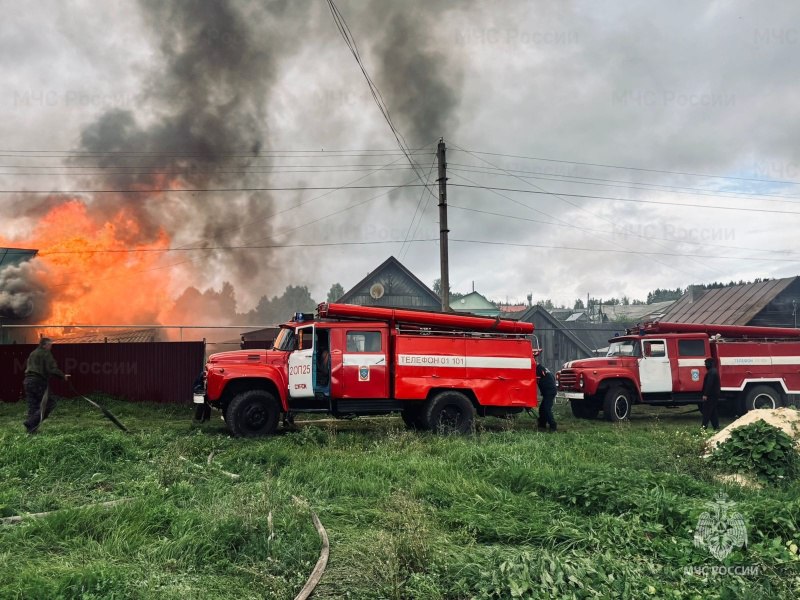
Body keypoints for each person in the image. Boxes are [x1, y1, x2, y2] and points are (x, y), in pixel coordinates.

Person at [23, 337, 70, 433]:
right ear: (44, 345)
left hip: (28, 381)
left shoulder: (33, 353)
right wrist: (63, 376)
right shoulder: (45, 353)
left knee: (33, 406)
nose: (51, 347)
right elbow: (51, 369)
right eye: (50, 345)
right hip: (38, 381)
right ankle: (31, 422)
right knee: (49, 403)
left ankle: (31, 430)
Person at [536, 363, 558, 432]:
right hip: (549, 391)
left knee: (546, 408)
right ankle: (542, 424)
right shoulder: (543, 368)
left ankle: (553, 426)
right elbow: (552, 377)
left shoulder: (539, 369)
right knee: (542, 408)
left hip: (549, 392)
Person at [701, 357, 720, 431]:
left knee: (707, 411)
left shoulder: (711, 372)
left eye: (706, 364)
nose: (705, 365)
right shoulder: (714, 371)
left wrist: (705, 394)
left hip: (710, 395)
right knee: (713, 412)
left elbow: (709, 384)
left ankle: (703, 427)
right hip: (714, 395)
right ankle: (716, 426)